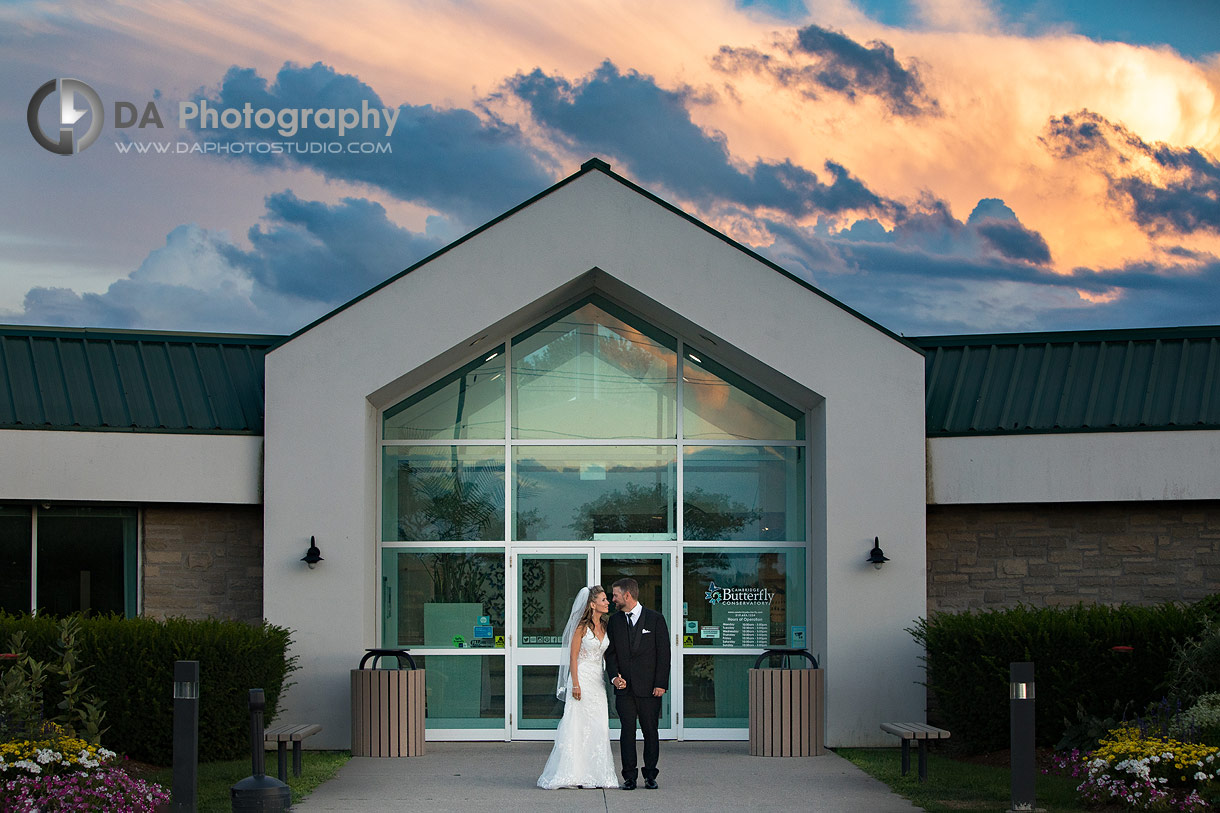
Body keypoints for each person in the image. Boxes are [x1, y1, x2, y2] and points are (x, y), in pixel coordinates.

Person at [536, 585, 620, 790]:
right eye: (603, 600)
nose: (607, 602)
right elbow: (572, 656)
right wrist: (575, 683)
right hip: (581, 677)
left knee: (598, 724)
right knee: (577, 725)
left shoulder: (606, 626)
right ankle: (573, 773)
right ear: (592, 604)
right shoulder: (581, 628)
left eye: (607, 599)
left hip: (598, 680)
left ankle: (598, 773)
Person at [604, 577, 670, 790]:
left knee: (651, 731)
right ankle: (629, 776)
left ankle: (651, 775)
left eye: (615, 595)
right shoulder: (614, 621)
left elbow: (664, 654)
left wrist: (661, 683)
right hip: (624, 689)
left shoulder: (655, 619)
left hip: (650, 688)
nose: (612, 599)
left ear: (627, 595)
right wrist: (614, 677)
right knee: (627, 732)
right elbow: (610, 653)